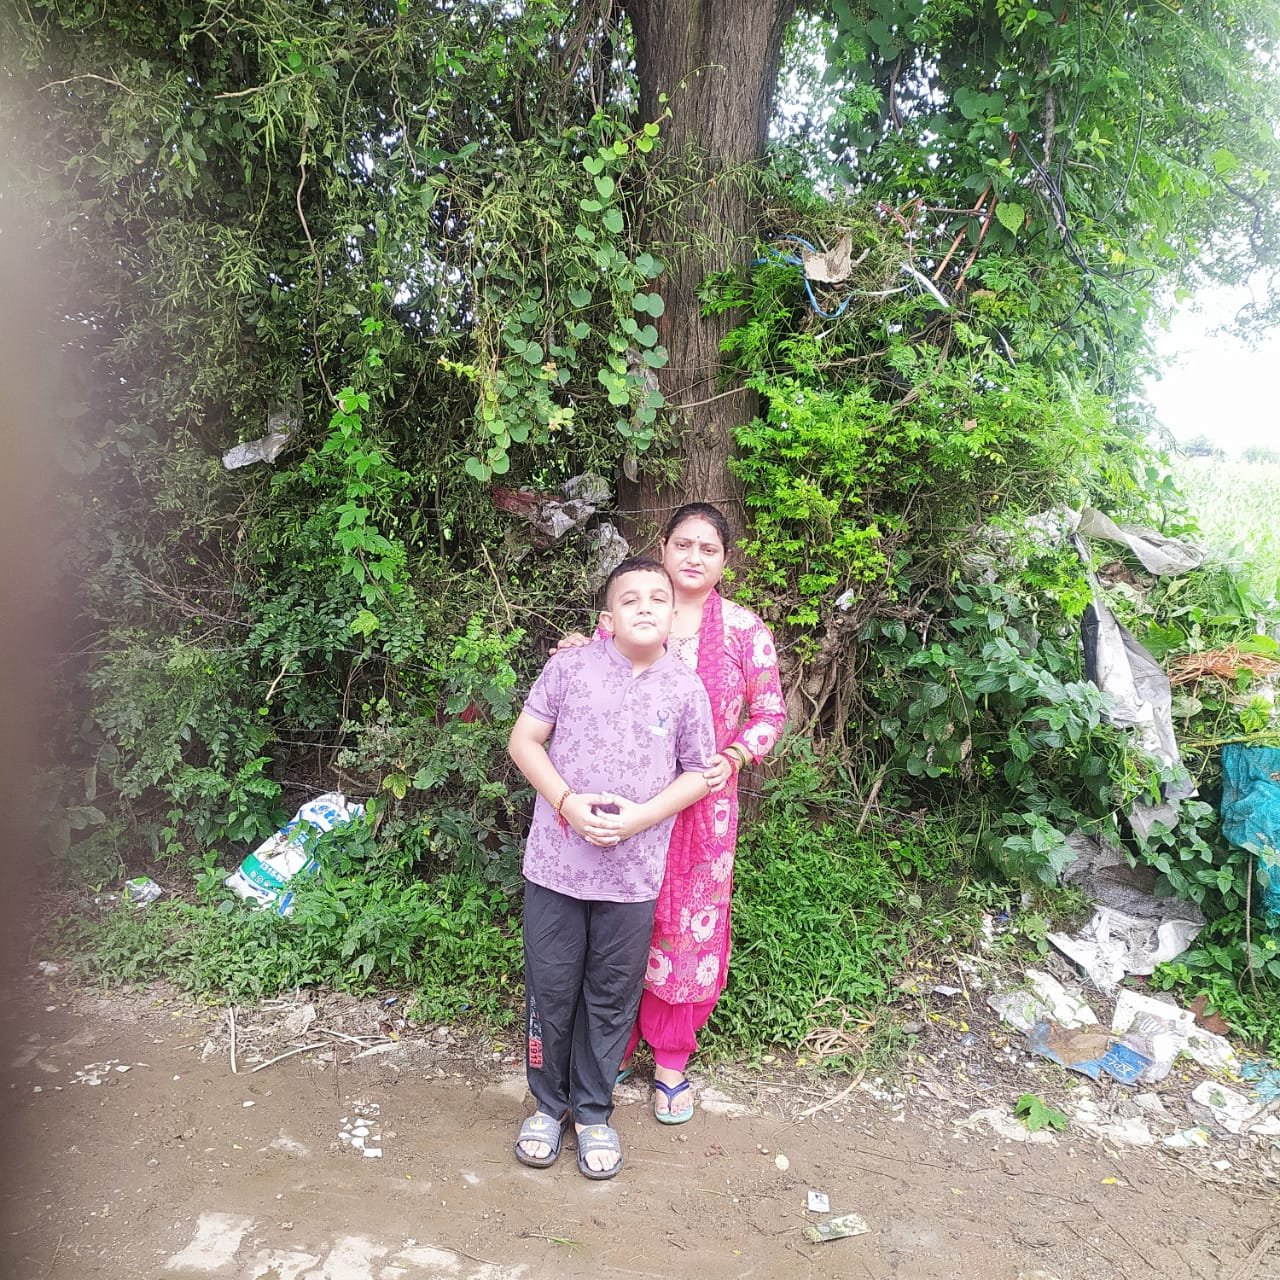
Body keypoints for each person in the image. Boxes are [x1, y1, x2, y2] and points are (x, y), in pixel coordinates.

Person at [559, 503, 786, 1124]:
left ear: (724, 562)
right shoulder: (632, 616)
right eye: (683, 544)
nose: (693, 557)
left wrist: (734, 756)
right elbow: (596, 683)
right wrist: (579, 648)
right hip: (625, 802)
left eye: (708, 549)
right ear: (662, 547)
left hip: (701, 811)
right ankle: (607, 1049)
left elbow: (770, 714)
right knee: (621, 921)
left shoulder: (743, 630)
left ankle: (670, 1064)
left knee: (686, 930)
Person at [507, 556, 717, 1179]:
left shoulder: (686, 689)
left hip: (633, 876)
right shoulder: (569, 668)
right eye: (631, 599)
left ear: (674, 615)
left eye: (657, 598)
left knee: (612, 994)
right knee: (551, 989)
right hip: (556, 867)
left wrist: (640, 818)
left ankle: (595, 1113)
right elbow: (523, 741)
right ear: (608, 616)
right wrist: (567, 804)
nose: (645, 607)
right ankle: (548, 1107)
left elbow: (699, 774)